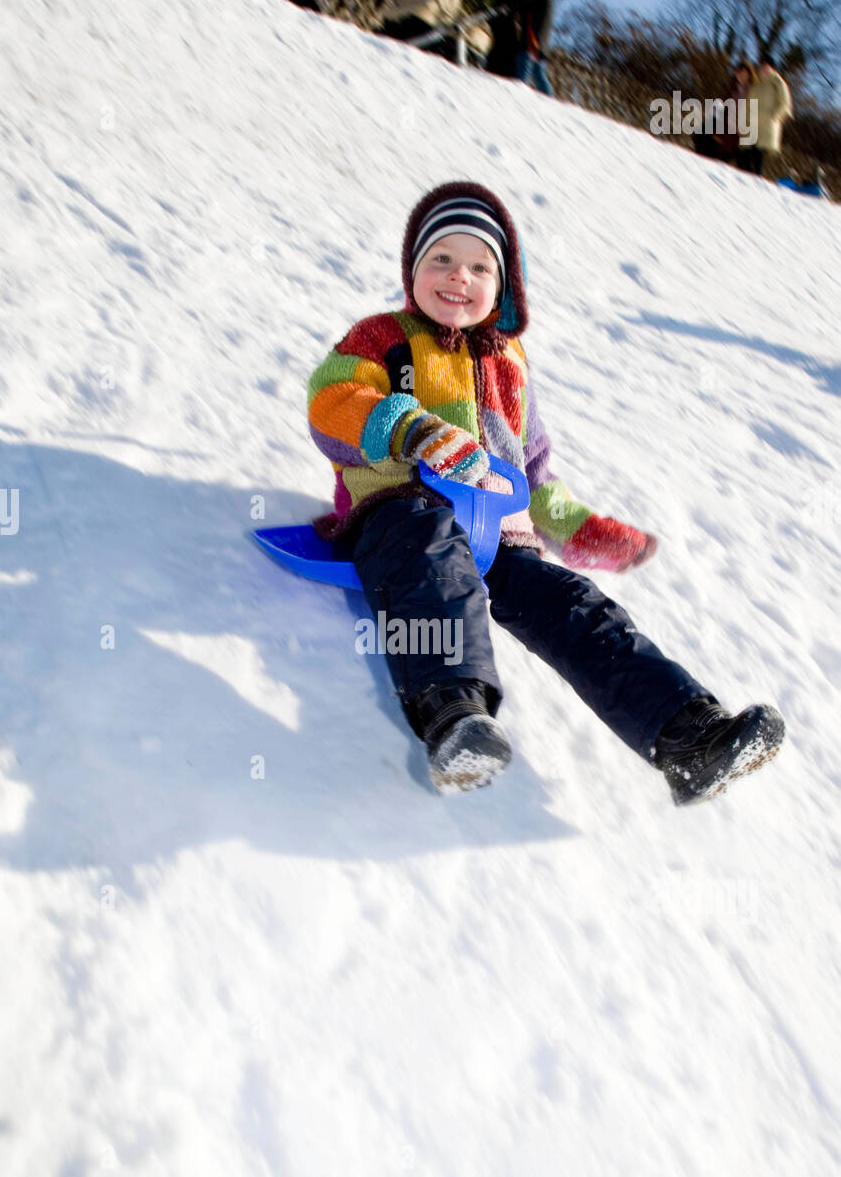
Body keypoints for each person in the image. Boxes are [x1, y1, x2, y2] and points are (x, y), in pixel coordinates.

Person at [305, 181, 785, 799]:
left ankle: (687, 736)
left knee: (574, 606)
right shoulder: (383, 337)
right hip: (400, 512)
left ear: (502, 289)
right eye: (441, 259)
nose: (459, 277)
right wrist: (412, 428)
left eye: (480, 266)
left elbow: (531, 472)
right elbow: (332, 400)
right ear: (413, 269)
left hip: (495, 532)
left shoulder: (509, 365)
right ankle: (456, 716)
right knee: (433, 569)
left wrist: (580, 530)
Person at [486, 0, 554, 95]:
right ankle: (549, 99)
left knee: (525, 67)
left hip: (533, 39)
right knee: (537, 71)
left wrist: (509, 3)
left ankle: (517, 94)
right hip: (534, 38)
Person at [738, 55, 792, 177]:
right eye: (762, 66)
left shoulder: (778, 82)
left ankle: (756, 185)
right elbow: (747, 103)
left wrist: (774, 116)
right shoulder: (755, 82)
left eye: (766, 66)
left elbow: (785, 103)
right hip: (751, 123)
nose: (763, 69)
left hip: (766, 126)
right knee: (744, 157)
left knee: (758, 158)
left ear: (772, 68)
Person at [712, 60, 755, 165]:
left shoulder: (748, 92)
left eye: (745, 75)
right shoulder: (730, 87)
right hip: (724, 128)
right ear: (736, 73)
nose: (742, 77)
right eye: (740, 73)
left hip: (735, 133)